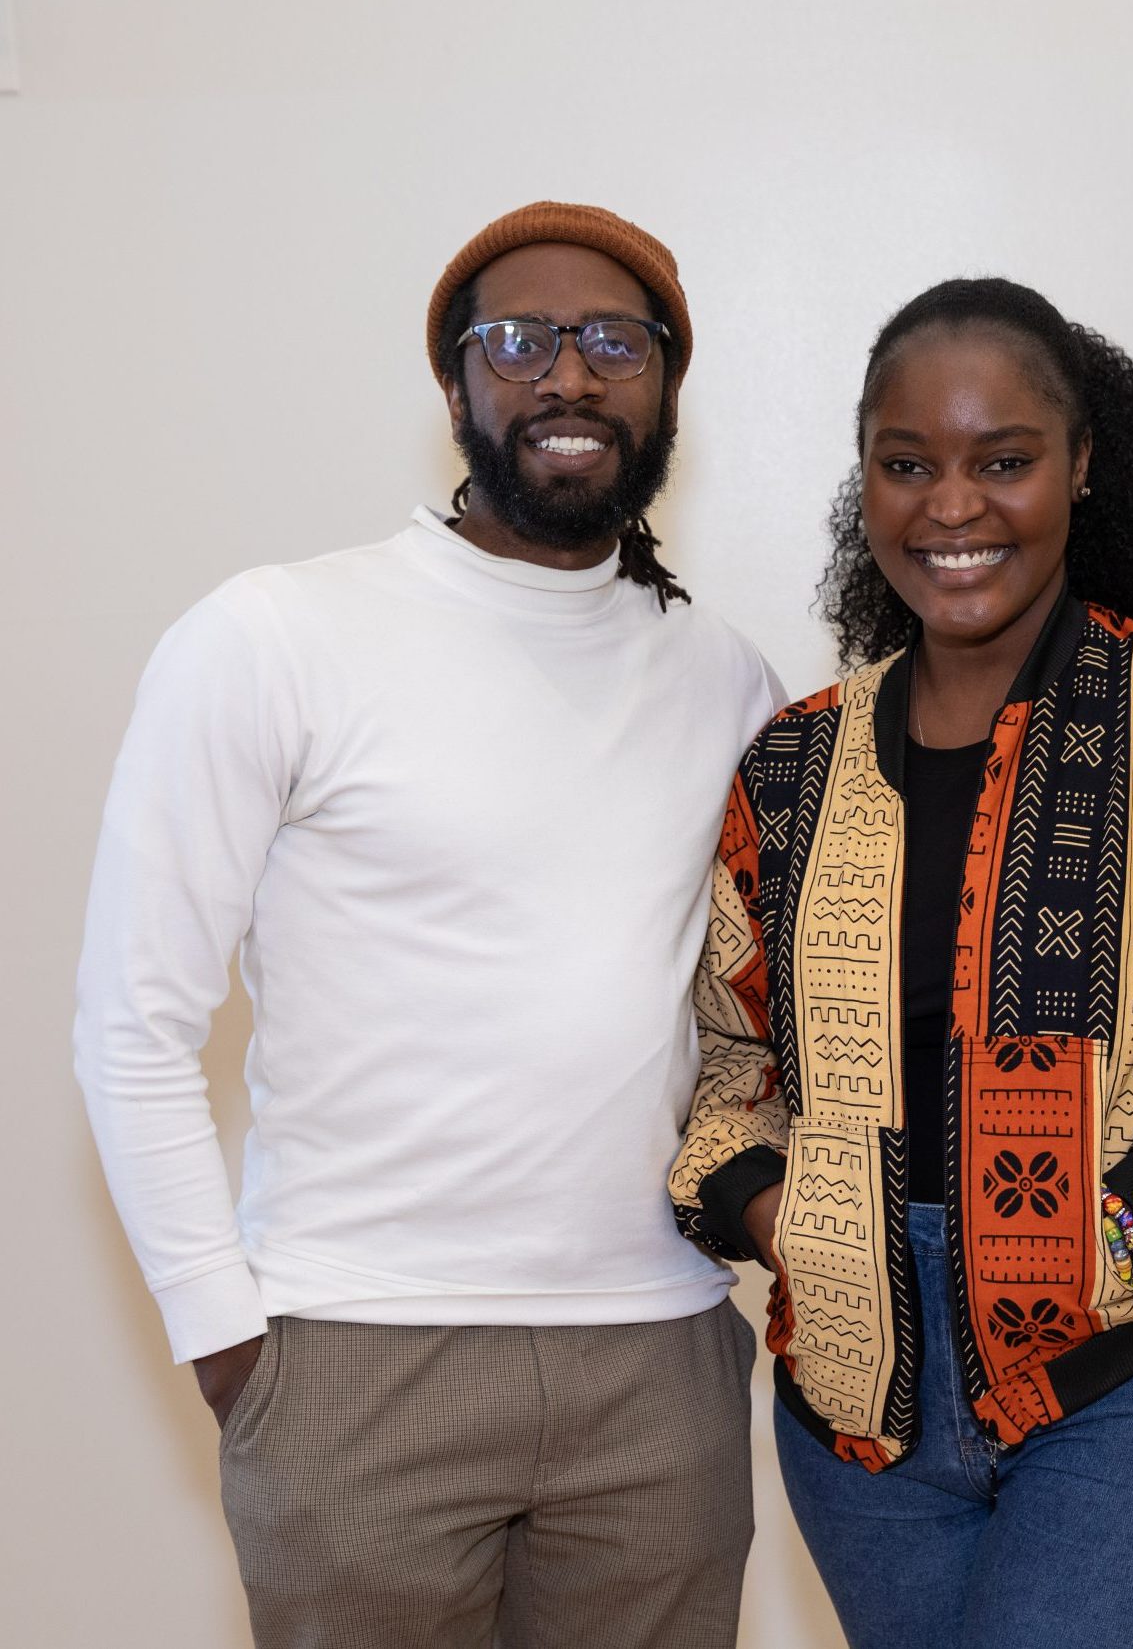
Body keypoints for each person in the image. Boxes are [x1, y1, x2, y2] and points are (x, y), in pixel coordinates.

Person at [74, 202, 782, 1649]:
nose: (567, 379)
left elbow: (758, 1023)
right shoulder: (274, 635)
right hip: (353, 1351)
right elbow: (132, 1020)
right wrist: (227, 1340)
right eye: (518, 341)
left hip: (657, 1359)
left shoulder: (728, 679)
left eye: (612, 343)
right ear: (455, 382)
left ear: (664, 386)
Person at [669, 277, 1133, 1649]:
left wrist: (1124, 1216)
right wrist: (771, 1208)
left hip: (1130, 1383)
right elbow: (732, 1059)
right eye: (907, 463)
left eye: (1003, 460)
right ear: (862, 479)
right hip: (857, 1414)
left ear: (1080, 466)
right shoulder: (795, 764)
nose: (951, 507)